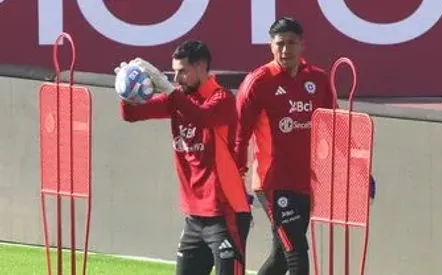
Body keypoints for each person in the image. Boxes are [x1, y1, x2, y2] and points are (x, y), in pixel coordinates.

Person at [234, 17, 376, 275]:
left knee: (280, 258)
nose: (285, 50)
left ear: (303, 46)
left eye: (291, 43)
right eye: (279, 44)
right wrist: (236, 180)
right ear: (270, 46)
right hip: (272, 183)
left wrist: (359, 171)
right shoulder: (258, 82)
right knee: (298, 255)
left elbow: (336, 129)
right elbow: (239, 135)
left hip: (305, 184)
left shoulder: (318, 80)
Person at [115, 40, 253, 275]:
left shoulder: (222, 99)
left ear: (201, 67)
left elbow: (201, 117)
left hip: (225, 214)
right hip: (194, 217)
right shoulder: (178, 99)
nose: (177, 79)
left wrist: (169, 91)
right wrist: (125, 90)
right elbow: (132, 115)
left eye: (182, 71)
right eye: (174, 72)